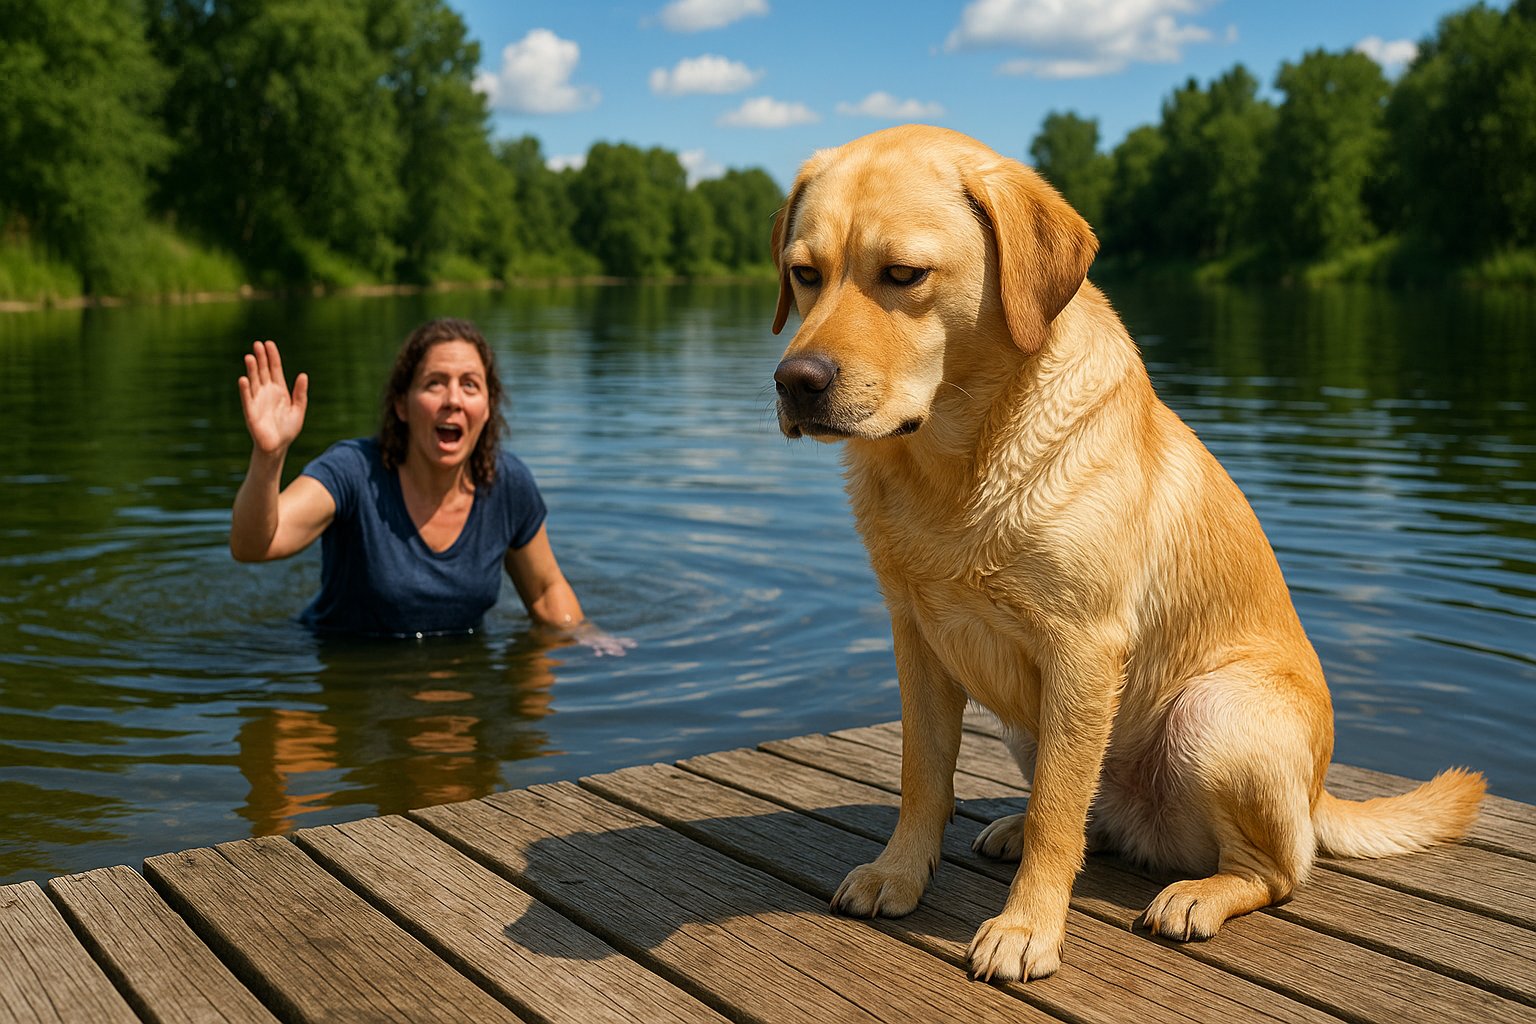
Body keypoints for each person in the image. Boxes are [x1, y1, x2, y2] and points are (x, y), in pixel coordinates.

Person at [230, 316, 628, 652]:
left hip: (462, 673)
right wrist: (269, 456)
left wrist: (587, 635)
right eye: (435, 383)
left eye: (470, 385)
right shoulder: (353, 471)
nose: (453, 399)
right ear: (401, 405)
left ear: (487, 407)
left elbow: (544, 590)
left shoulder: (507, 485)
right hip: (347, 662)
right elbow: (254, 545)